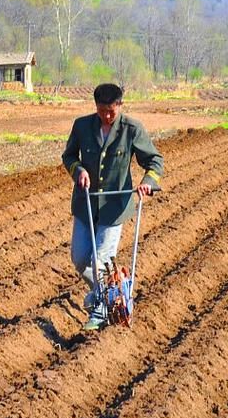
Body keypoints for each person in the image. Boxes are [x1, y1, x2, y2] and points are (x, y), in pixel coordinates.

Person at [62, 83, 164, 331]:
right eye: (102, 110)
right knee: (79, 258)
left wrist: (147, 183)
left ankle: (99, 311)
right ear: (96, 106)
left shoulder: (132, 129)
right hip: (86, 203)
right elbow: (69, 156)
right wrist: (79, 170)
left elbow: (154, 161)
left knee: (101, 259)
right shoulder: (82, 126)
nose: (107, 116)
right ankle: (109, 291)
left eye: (111, 111)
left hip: (115, 206)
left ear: (120, 105)